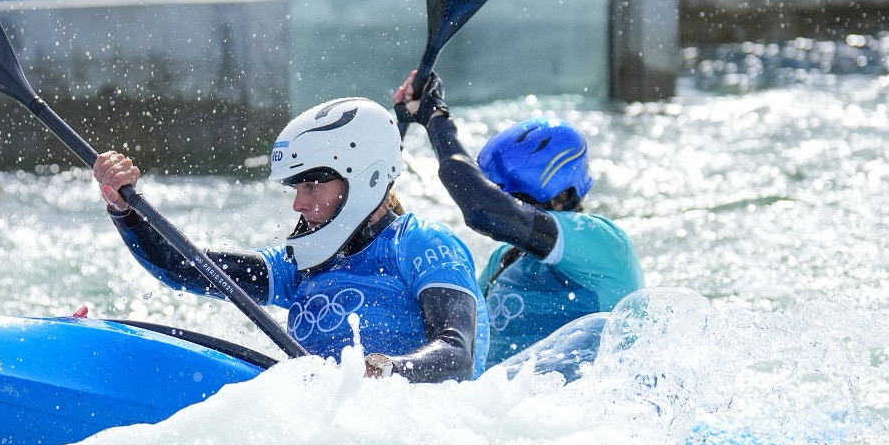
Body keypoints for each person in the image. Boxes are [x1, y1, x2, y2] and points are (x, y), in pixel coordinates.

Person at [93, 98, 488, 381]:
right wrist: (125, 211)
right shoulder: (296, 264)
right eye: (295, 187)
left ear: (363, 177)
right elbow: (180, 267)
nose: (298, 203)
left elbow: (457, 353)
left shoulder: (422, 243)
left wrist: (383, 371)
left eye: (312, 185)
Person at [393, 73, 644, 368]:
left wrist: (437, 118)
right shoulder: (504, 261)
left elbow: (483, 211)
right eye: (499, 194)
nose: (505, 205)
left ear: (560, 197)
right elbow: (465, 334)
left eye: (513, 198)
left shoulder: (605, 244)